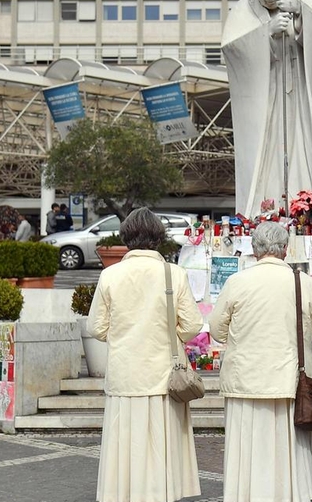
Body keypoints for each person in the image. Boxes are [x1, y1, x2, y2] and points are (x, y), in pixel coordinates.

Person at [210, 221, 312, 502]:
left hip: (246, 379)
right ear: (285, 250)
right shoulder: (303, 282)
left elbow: (216, 329)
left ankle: (247, 495)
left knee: (248, 446)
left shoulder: (237, 282)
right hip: (290, 379)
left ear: (254, 250)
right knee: (288, 446)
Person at [89, 207, 203, 502]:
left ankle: (123, 494)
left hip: (125, 373)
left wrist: (124, 337)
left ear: (126, 237)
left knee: (125, 443)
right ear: (158, 237)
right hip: (165, 374)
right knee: (162, 443)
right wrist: (168, 338)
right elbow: (192, 325)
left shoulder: (110, 275)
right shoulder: (173, 274)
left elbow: (96, 327)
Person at [222, 0, 312, 216]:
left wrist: (300, 12)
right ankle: (263, 209)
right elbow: (232, 49)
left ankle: (303, 205)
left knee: (300, 148)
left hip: (298, 98)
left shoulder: (302, 1)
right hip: (264, 99)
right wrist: (267, 32)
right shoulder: (242, 11)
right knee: (266, 154)